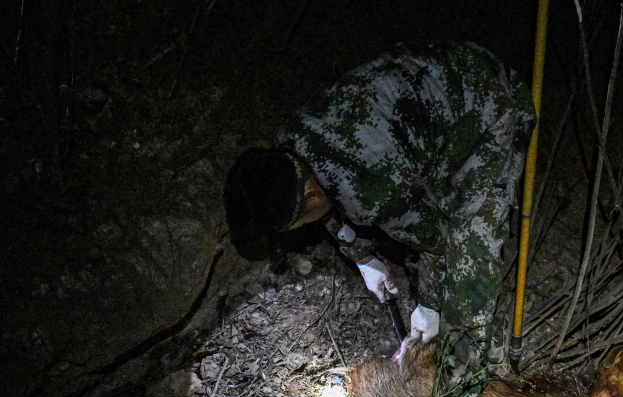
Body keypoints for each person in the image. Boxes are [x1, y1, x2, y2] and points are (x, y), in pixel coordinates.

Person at [224, 41, 535, 362]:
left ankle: (461, 380)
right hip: (430, 93)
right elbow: (325, 199)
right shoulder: (287, 149)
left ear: (309, 196)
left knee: (469, 257)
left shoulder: (374, 190)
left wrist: (428, 307)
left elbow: (437, 241)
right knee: (422, 204)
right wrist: (362, 258)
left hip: (484, 101)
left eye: (297, 221)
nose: (300, 228)